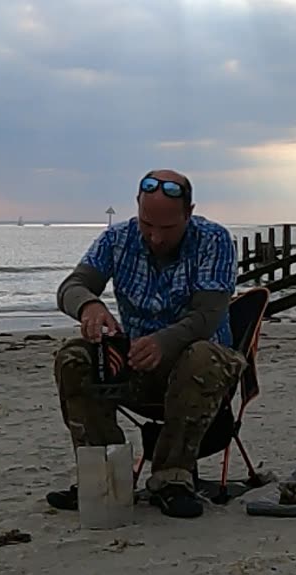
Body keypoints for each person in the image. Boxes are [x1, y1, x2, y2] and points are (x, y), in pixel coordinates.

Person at [47, 169, 246, 519]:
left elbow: (208, 315)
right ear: (136, 210)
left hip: (201, 368)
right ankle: (107, 476)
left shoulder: (214, 240)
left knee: (201, 356)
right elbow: (71, 286)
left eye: (167, 229)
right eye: (146, 225)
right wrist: (89, 306)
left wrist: (163, 342)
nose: (154, 237)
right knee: (72, 357)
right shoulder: (117, 239)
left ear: (189, 213)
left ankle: (172, 479)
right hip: (135, 365)